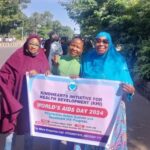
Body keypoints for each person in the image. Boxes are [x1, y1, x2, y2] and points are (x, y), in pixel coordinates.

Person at [78, 31, 135, 150]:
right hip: (91, 107)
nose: (101, 44)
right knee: (90, 139)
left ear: (110, 43)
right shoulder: (87, 58)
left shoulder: (118, 60)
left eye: (105, 41)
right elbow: (81, 79)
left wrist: (131, 90)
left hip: (113, 109)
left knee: (109, 142)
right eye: (98, 41)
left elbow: (128, 84)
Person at [0, 34, 50, 150]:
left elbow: (46, 76)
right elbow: (4, 72)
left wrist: (41, 74)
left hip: (31, 102)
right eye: (31, 43)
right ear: (27, 44)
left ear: (39, 46)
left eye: (36, 45)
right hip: (16, 98)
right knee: (11, 130)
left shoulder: (42, 57)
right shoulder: (18, 54)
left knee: (29, 129)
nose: (33, 46)